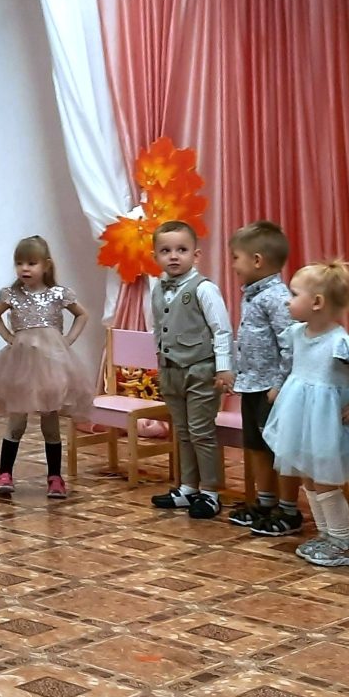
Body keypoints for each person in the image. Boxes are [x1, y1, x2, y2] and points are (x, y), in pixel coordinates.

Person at [262, 261, 349, 567]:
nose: (287, 300)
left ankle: (342, 543)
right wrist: (280, 388)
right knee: (308, 478)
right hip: (301, 420)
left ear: (317, 302)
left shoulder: (341, 343)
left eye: (294, 294)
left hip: (326, 426)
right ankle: (325, 535)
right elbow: (294, 367)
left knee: (325, 482)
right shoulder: (297, 334)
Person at [0, 236, 92, 499]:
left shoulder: (58, 294)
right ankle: (5, 473)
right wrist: (9, 337)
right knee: (17, 420)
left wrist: (68, 340)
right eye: (19, 263)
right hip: (20, 365)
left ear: (46, 265)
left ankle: (55, 477)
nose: (25, 268)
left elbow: (82, 314)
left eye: (31, 263)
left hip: (51, 366)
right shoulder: (11, 295)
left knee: (50, 421)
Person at [148, 221, 233, 519]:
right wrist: (159, 360)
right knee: (182, 432)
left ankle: (210, 493)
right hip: (171, 370)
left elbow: (221, 330)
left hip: (200, 370)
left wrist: (224, 368)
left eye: (181, 250)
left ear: (196, 255)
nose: (174, 256)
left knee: (201, 432)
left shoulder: (204, 289)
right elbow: (158, 328)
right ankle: (188, 487)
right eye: (166, 251)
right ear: (155, 256)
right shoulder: (157, 289)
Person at [224, 221, 304, 536]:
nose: (233, 265)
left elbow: (291, 345)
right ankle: (266, 502)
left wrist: (280, 385)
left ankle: (288, 510)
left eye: (236, 258)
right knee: (256, 446)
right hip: (253, 385)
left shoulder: (277, 297)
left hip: (273, 390)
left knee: (280, 449)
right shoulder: (252, 295)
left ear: (257, 260)